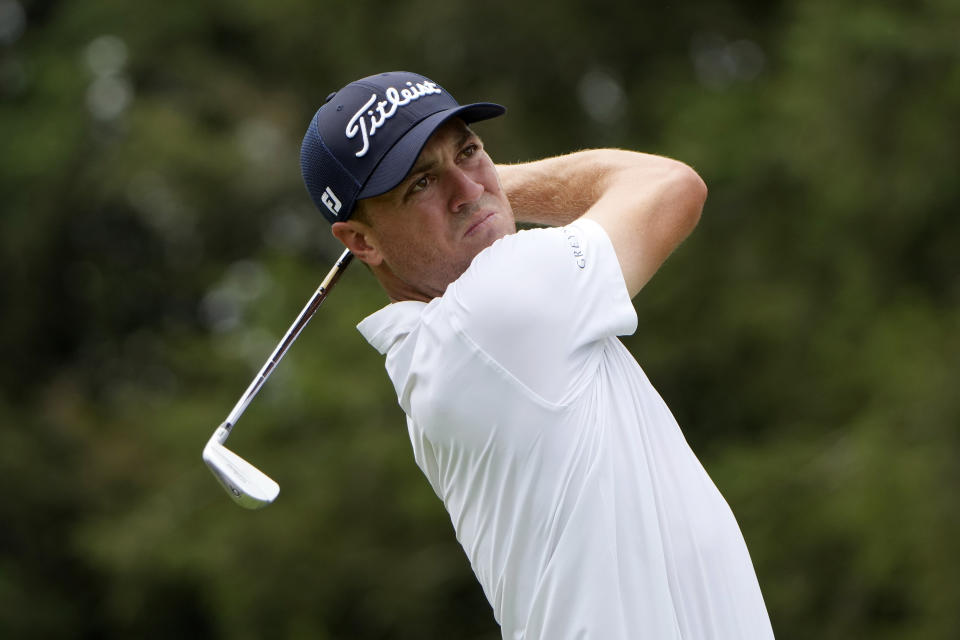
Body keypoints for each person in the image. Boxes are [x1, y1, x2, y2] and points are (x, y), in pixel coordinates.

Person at [300, 71, 775, 639]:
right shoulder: (493, 312)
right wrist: (497, 188)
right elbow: (672, 186)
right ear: (360, 242)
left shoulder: (438, 348)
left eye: (470, 151)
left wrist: (471, 189)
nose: (468, 187)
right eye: (420, 183)